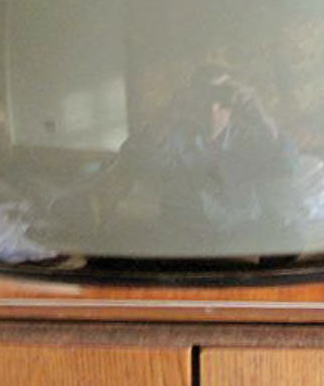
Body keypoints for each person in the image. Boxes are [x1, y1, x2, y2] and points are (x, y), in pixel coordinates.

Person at [118, 65, 301, 250]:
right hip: (182, 236)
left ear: (234, 104)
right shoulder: (173, 138)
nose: (212, 108)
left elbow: (287, 167)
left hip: (243, 233)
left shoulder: (251, 138)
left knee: (288, 235)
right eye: (204, 97)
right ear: (191, 98)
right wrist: (170, 112)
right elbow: (131, 162)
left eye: (222, 98)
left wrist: (258, 113)